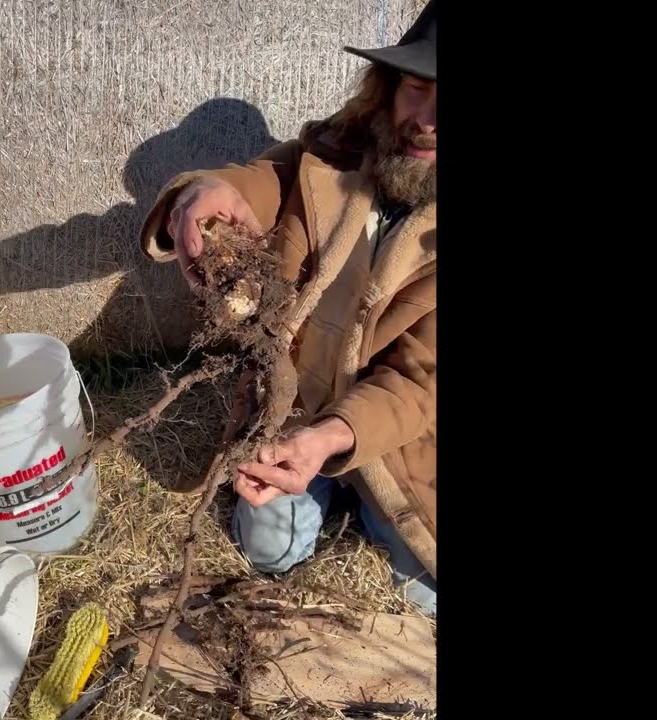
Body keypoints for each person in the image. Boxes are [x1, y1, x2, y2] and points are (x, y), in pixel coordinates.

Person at [138, 1, 438, 616]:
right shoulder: (338, 152)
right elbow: (262, 181)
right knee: (270, 550)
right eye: (417, 88)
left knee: (424, 593)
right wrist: (205, 193)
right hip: (294, 410)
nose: (426, 121)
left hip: (397, 434)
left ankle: (369, 502)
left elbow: (420, 380)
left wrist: (333, 437)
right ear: (388, 87)